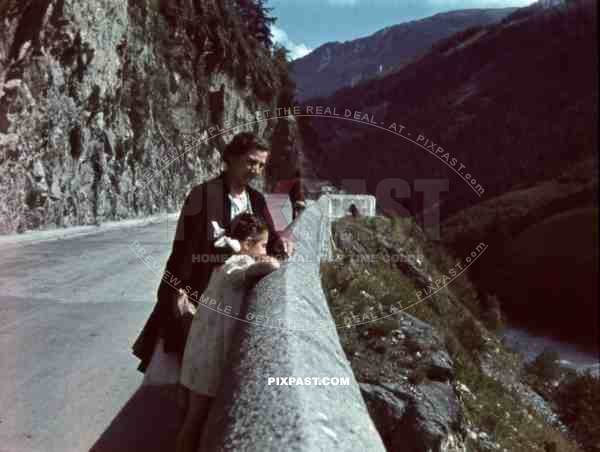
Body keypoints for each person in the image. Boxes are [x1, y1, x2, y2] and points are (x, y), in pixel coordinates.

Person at [132, 132, 294, 379]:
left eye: (261, 165)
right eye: (251, 161)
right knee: (189, 364)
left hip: (236, 293)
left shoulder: (257, 200)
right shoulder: (203, 195)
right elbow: (184, 249)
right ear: (231, 157)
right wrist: (177, 290)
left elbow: (268, 239)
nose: (256, 170)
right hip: (203, 290)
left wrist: (281, 240)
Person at [175, 212, 280, 452]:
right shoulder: (238, 263)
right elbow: (270, 265)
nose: (265, 250)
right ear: (246, 245)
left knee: (193, 418)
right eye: (262, 244)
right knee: (196, 420)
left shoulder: (224, 262)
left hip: (201, 349)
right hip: (211, 356)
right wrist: (269, 260)